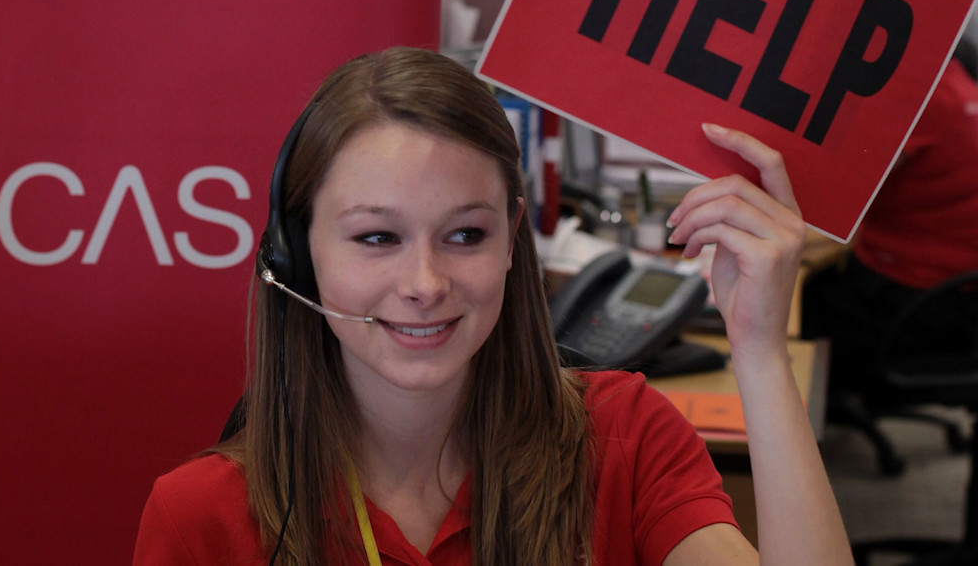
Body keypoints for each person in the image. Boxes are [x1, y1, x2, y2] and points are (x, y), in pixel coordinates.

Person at [132, 47, 851, 565]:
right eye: (377, 237)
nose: (425, 282)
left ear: (512, 239)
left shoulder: (622, 438)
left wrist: (759, 350)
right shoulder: (203, 516)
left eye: (465, 235)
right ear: (297, 253)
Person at [802, 54, 978, 386]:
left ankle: (814, 409)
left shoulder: (918, 97)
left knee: (791, 307)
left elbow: (841, 190)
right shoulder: (952, 81)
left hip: (918, 303)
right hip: (954, 293)